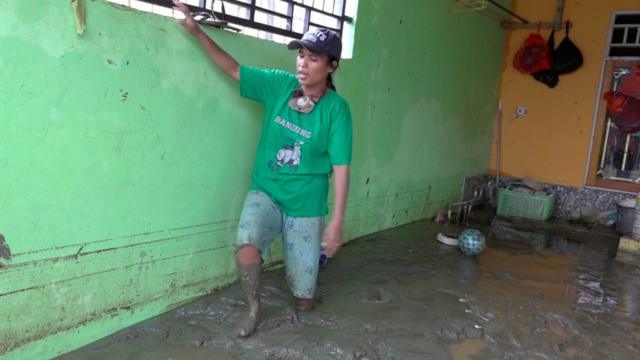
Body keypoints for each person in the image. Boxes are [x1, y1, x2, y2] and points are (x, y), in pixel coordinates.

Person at [172, 0, 352, 338]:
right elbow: (234, 70)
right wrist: (196, 32)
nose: (303, 64)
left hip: (306, 203)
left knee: (304, 299)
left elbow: (341, 167)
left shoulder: (337, 110)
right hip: (266, 191)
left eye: (313, 59)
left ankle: (306, 285)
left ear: (331, 67)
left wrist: (337, 221)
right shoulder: (279, 86)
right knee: (247, 243)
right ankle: (253, 307)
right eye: (301, 55)